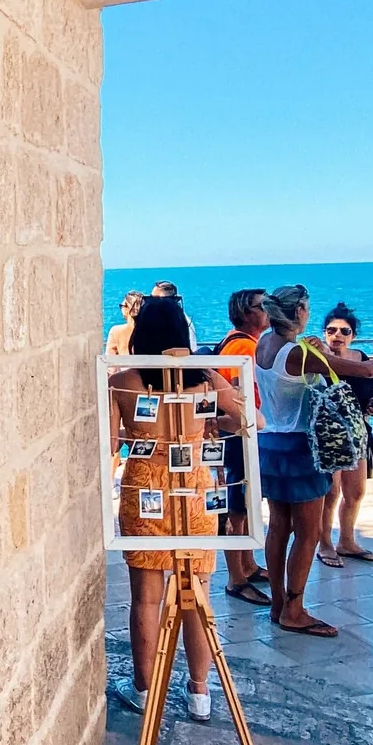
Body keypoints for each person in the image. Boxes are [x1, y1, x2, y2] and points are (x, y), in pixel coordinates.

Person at [111, 296, 245, 722]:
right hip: (196, 490)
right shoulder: (204, 379)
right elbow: (250, 420)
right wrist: (211, 424)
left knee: (146, 598)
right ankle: (200, 692)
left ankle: (145, 689)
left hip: (145, 489)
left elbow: (110, 444)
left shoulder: (123, 381)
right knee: (197, 592)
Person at [255, 286, 373, 636]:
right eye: (306, 309)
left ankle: (278, 603)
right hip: (301, 448)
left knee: (278, 526)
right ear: (299, 312)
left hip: (270, 443)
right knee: (308, 532)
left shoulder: (264, 343)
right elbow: (363, 370)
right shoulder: (297, 353)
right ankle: (294, 610)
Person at [214, 288, 270, 603]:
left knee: (245, 504)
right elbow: (239, 393)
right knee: (237, 507)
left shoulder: (237, 342)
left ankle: (247, 566)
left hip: (240, 432)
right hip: (239, 434)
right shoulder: (242, 347)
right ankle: (236, 577)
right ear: (247, 313)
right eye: (263, 306)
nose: (268, 310)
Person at [318, 304, 373, 565]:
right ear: (324, 333)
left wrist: (372, 405)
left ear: (353, 335)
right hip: (329, 435)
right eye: (331, 330)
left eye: (344, 331)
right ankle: (325, 544)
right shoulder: (319, 359)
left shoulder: (361, 358)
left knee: (355, 491)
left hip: (357, 433)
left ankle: (347, 541)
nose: (337, 335)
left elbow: (367, 391)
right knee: (330, 493)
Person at [151, 280, 198, 348]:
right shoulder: (148, 321)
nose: (151, 303)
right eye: (150, 298)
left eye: (156, 299)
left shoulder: (184, 322)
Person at [106, 290, 144, 357]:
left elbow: (110, 359)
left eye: (122, 306)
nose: (121, 308)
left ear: (127, 308)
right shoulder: (153, 330)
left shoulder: (116, 331)